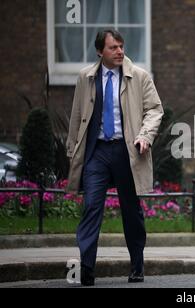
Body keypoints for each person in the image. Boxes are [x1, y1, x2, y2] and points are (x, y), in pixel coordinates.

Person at [66, 29, 164, 286]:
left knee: (131, 211)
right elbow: (77, 117)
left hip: (127, 151)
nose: (120, 51)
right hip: (96, 152)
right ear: (100, 51)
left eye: (121, 46)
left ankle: (137, 266)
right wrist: (72, 152)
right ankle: (87, 267)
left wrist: (145, 136)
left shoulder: (140, 76)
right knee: (91, 208)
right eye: (113, 48)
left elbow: (155, 110)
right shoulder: (85, 77)